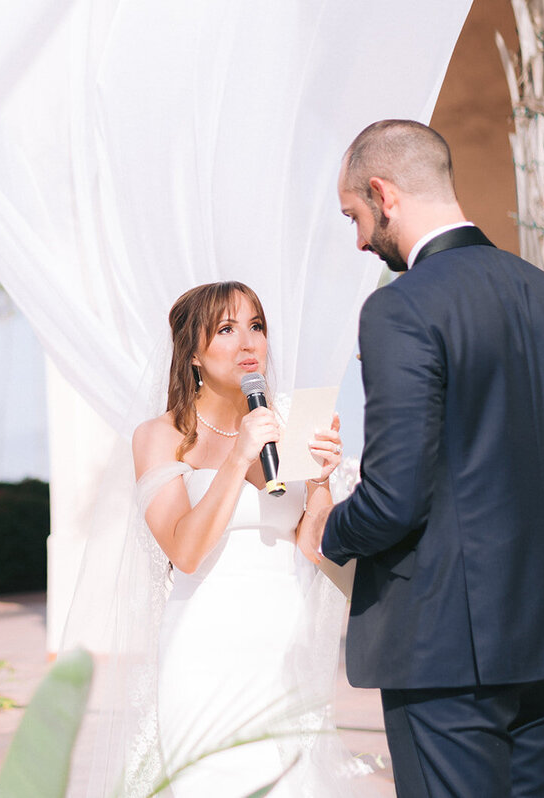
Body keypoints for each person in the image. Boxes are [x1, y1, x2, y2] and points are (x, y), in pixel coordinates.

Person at [302, 120, 544, 798]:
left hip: (442, 647)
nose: (359, 240)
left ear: (383, 194)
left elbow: (394, 497)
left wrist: (327, 527)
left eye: (354, 217)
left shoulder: (401, 310)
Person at [124, 280, 362, 796]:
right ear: (192, 353)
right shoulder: (160, 435)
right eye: (227, 330)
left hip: (283, 643)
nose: (249, 343)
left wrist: (321, 480)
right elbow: (184, 552)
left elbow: (313, 547)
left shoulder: (293, 420)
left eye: (257, 326)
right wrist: (238, 458)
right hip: (205, 646)